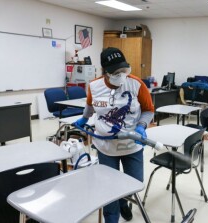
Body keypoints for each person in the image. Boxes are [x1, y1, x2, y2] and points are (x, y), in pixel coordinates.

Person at [74, 47, 154, 223]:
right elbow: (90, 106)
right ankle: (112, 217)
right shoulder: (94, 86)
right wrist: (84, 118)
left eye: (123, 70)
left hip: (132, 145)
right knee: (108, 187)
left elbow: (148, 110)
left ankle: (124, 201)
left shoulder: (136, 84)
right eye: (116, 72)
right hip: (106, 146)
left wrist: (141, 126)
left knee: (135, 184)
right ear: (105, 72)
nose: (121, 74)